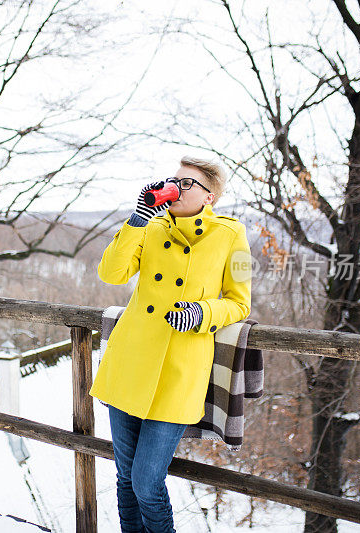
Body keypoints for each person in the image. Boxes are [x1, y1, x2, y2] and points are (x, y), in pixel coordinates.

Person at [89, 156, 252, 532]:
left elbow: (240, 302)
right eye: (172, 181)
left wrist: (201, 312)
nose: (175, 189)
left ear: (209, 197)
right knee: (125, 479)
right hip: (129, 362)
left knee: (146, 483)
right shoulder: (150, 226)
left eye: (186, 184)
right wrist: (137, 220)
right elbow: (111, 274)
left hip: (180, 374)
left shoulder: (232, 234)